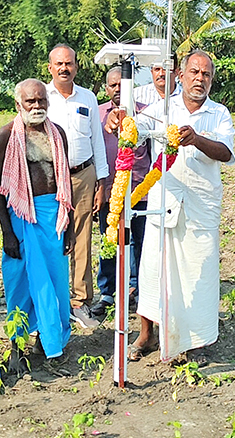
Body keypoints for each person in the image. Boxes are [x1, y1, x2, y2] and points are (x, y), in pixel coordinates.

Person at [106, 50, 235, 366]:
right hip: (163, 202)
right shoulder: (159, 110)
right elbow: (133, 135)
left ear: (211, 79)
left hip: (201, 204)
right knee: (152, 269)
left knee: (199, 272)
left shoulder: (219, 114)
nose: (199, 79)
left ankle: (197, 341)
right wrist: (117, 122)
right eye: (194, 72)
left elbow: (226, 152)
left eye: (205, 74)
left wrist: (197, 140)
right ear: (181, 75)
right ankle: (146, 334)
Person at [0, 79, 74, 374]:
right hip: (21, 219)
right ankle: (16, 345)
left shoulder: (58, 135)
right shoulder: (6, 136)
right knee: (20, 285)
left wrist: (71, 229)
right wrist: (7, 233)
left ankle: (49, 342)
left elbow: (66, 185)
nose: (37, 106)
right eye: (31, 101)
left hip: (53, 218)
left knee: (55, 284)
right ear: (19, 104)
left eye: (41, 100)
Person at [45, 44, 108, 329]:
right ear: (50, 68)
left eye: (69, 63)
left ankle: (81, 302)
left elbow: (97, 139)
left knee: (82, 236)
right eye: (59, 64)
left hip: (84, 174)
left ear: (76, 66)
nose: (64, 68)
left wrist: (102, 181)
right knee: (55, 236)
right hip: (50, 177)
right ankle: (56, 301)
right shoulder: (41, 97)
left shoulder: (88, 98)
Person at [91, 67, 150, 318]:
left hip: (140, 190)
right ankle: (107, 292)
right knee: (110, 239)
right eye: (113, 85)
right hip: (109, 190)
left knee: (139, 242)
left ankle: (136, 288)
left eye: (122, 85)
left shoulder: (146, 113)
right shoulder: (98, 114)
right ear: (107, 88)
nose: (118, 89)